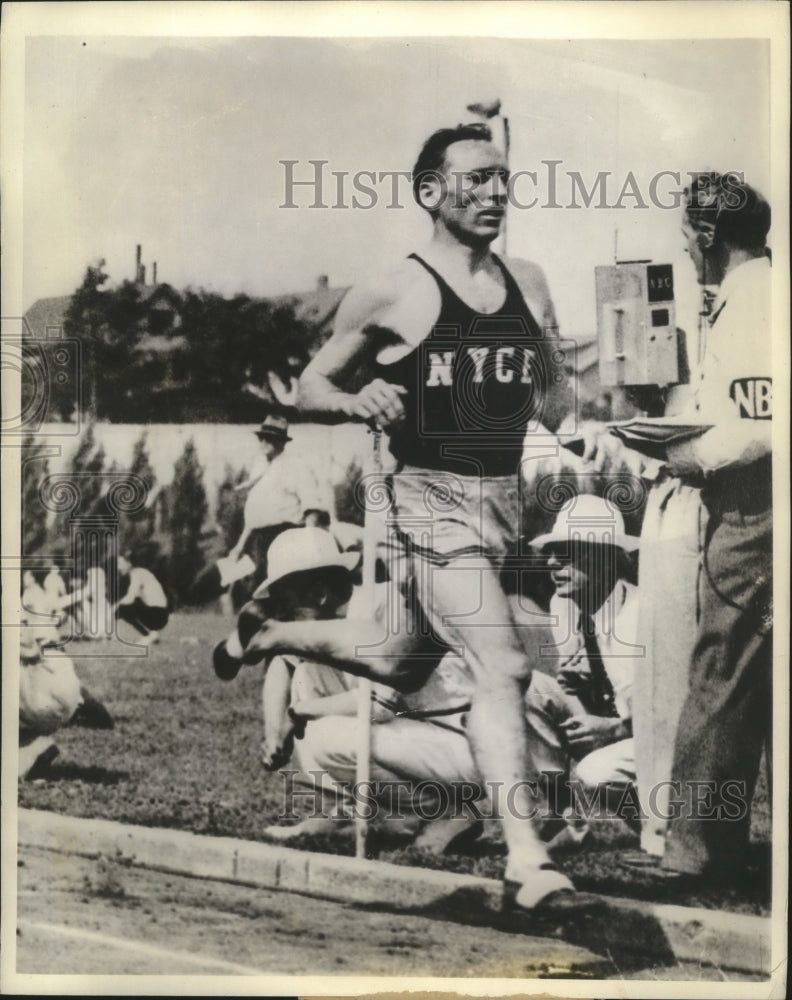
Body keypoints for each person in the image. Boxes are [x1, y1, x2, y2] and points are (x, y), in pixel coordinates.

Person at [296, 122, 595, 911]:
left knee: (399, 662)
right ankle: (528, 864)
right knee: (501, 665)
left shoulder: (528, 282)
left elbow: (559, 402)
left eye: (504, 180)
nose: (496, 194)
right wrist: (359, 396)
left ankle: (264, 632)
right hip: (425, 495)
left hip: (502, 502)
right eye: (477, 180)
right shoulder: (394, 288)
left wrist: (582, 399)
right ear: (431, 191)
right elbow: (309, 388)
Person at [651, 173, 773, 882]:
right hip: (758, 497)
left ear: (705, 236)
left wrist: (679, 454)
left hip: (754, 501)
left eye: (686, 237)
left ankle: (695, 850)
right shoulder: (756, 294)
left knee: (720, 668)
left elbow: (754, 427)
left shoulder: (751, 301)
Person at [526, 495, 642, 838]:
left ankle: (662, 829)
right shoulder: (563, 605)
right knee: (528, 685)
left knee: (596, 771)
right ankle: (564, 812)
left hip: (658, 739)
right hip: (614, 721)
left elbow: (661, 716)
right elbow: (581, 686)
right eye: (550, 552)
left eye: (567, 553)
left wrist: (610, 730)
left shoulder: (637, 614)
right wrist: (581, 684)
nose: (552, 563)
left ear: (606, 559)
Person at [114, 555, 170, 646]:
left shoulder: (137, 574)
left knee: (122, 609)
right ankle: (153, 634)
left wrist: (114, 609)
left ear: (129, 564)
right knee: (124, 607)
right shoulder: (141, 573)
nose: (118, 567)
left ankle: (147, 635)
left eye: (120, 564)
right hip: (160, 613)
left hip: (158, 613)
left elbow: (131, 596)